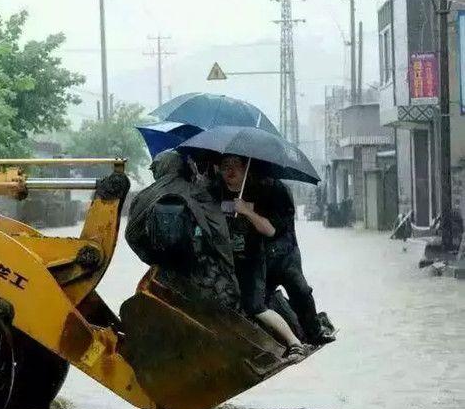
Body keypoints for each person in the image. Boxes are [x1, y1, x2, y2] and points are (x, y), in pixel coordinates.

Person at [216, 154, 306, 360]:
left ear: (245, 168)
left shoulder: (260, 192)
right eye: (225, 167)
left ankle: (295, 343)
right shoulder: (215, 191)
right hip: (224, 260)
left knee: (255, 306)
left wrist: (247, 211)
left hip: (251, 259)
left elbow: (269, 230)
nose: (229, 172)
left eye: (235, 167)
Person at [125, 149, 240, 310]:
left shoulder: (144, 195)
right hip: (201, 273)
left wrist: (156, 259)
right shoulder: (197, 191)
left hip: (165, 275)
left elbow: (131, 235)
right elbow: (218, 232)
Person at [258, 176, 335, 346]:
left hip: (286, 255)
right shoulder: (244, 189)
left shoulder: (280, 190)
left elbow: (276, 227)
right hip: (261, 256)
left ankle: (314, 331)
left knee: (301, 292)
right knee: (260, 299)